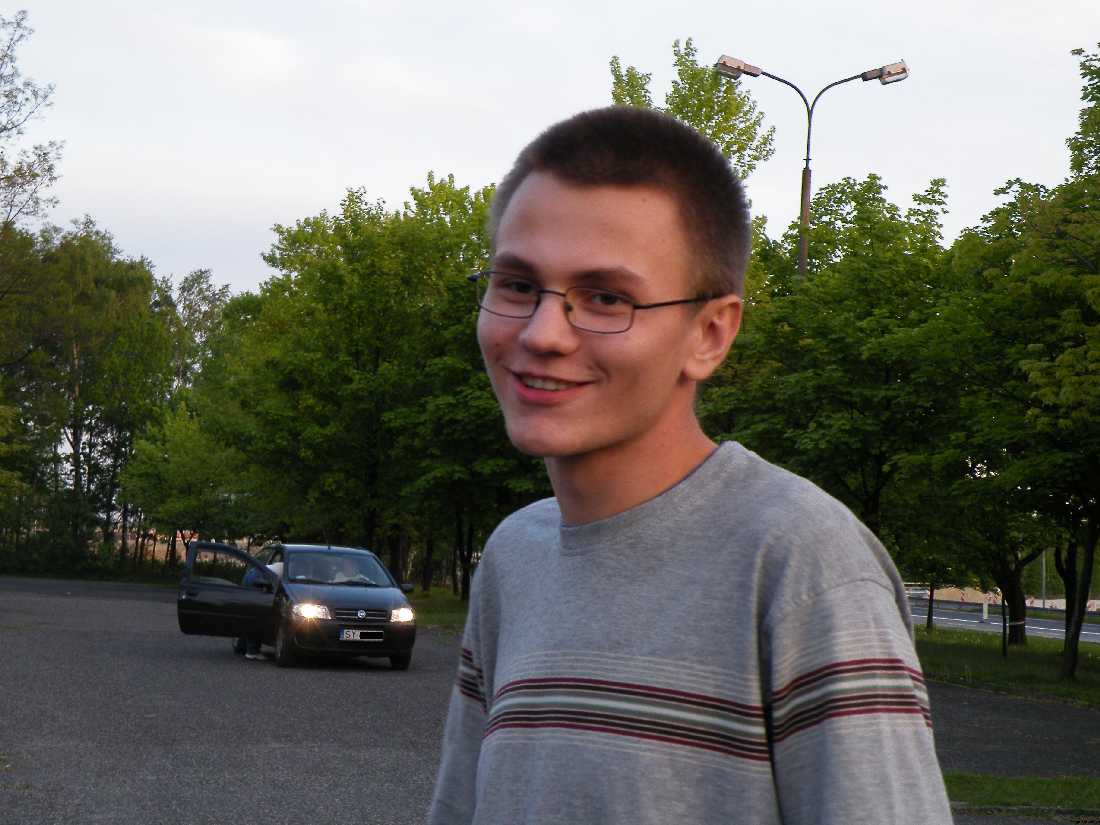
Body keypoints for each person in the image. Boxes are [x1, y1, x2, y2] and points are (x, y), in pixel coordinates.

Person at [426, 106, 952, 825]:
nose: (544, 334)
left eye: (605, 298)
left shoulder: (801, 563)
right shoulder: (513, 557)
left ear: (709, 334)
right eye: (517, 285)